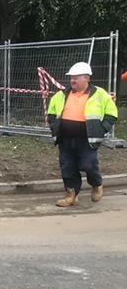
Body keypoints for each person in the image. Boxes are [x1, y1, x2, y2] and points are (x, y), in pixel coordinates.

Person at [47, 62, 118, 207]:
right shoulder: (61, 95)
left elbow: (111, 114)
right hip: (65, 138)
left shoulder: (100, 94)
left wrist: (101, 129)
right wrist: (54, 126)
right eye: (71, 77)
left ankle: (97, 184)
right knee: (67, 167)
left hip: (87, 139)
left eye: (76, 77)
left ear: (86, 78)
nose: (72, 80)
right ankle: (71, 195)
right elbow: (51, 113)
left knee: (89, 165)